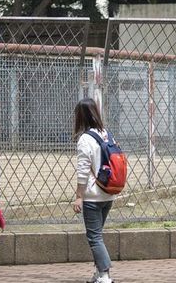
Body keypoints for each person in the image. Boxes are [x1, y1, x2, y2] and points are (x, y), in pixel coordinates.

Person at [72, 98, 117, 283]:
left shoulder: (85, 139)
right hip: (108, 192)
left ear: (80, 117)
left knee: (94, 237)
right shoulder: (107, 134)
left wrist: (79, 196)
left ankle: (105, 275)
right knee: (97, 235)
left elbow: (83, 171)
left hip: (93, 196)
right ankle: (99, 273)